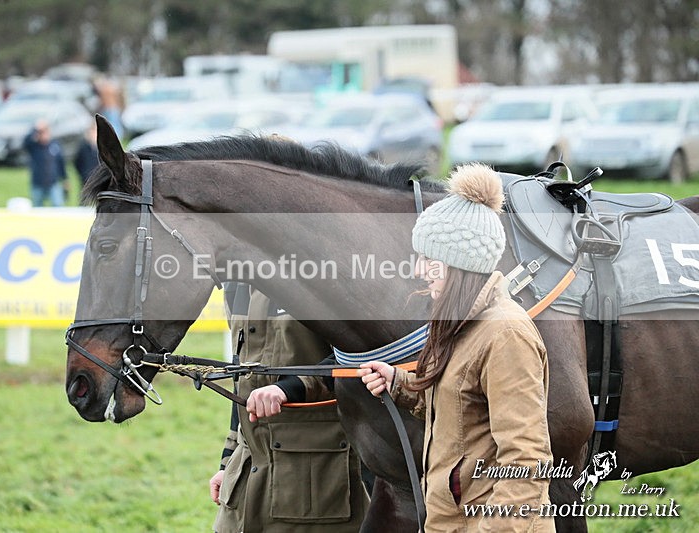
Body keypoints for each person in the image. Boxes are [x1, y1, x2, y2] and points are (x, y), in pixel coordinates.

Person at [358, 163, 554, 532]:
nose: (419, 270)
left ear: (461, 266)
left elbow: (526, 460)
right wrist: (401, 384)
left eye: (429, 260)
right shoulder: (457, 323)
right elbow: (462, 414)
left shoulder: (506, 335)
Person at [209, 282, 369, 533]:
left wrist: (290, 388)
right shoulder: (235, 283)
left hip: (319, 490)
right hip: (245, 485)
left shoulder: (326, 271)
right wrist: (227, 462)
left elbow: (363, 352)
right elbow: (243, 377)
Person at [23, 119, 67, 207]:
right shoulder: (34, 146)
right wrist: (35, 129)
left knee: (58, 205)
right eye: (41, 133)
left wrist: (65, 178)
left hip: (53, 182)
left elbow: (61, 163)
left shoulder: (54, 145)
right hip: (38, 183)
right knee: (37, 207)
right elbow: (25, 142)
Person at [74, 122, 99, 187]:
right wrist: (83, 174)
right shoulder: (83, 147)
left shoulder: (102, 147)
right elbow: (77, 162)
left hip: (99, 179)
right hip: (86, 179)